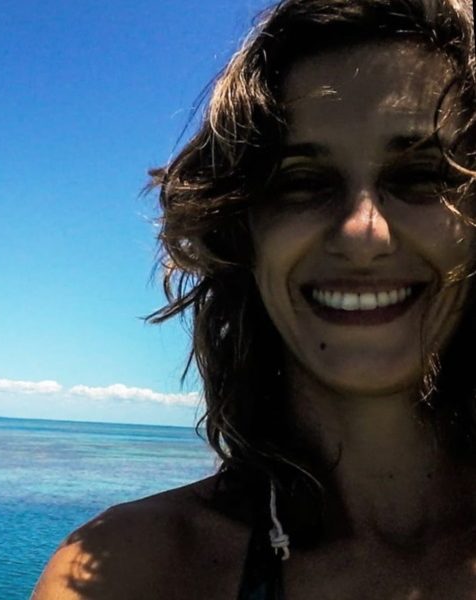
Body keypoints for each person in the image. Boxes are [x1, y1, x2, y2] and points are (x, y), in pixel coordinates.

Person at [32, 0, 476, 598]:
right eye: (301, 181)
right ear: (240, 235)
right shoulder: (130, 574)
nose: (361, 234)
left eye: (422, 175)